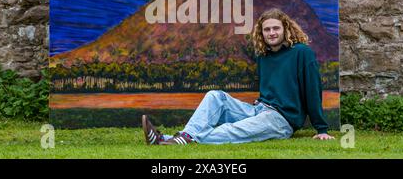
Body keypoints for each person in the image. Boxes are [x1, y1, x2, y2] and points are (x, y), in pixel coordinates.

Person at [142, 8, 335, 145]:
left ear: (286, 29)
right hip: (258, 110)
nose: (272, 33)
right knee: (214, 96)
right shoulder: (263, 55)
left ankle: (167, 140)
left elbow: (312, 90)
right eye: (266, 29)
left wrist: (322, 129)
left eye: (276, 28)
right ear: (261, 33)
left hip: (280, 120)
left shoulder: (301, 53)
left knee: (231, 132)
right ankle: (180, 138)